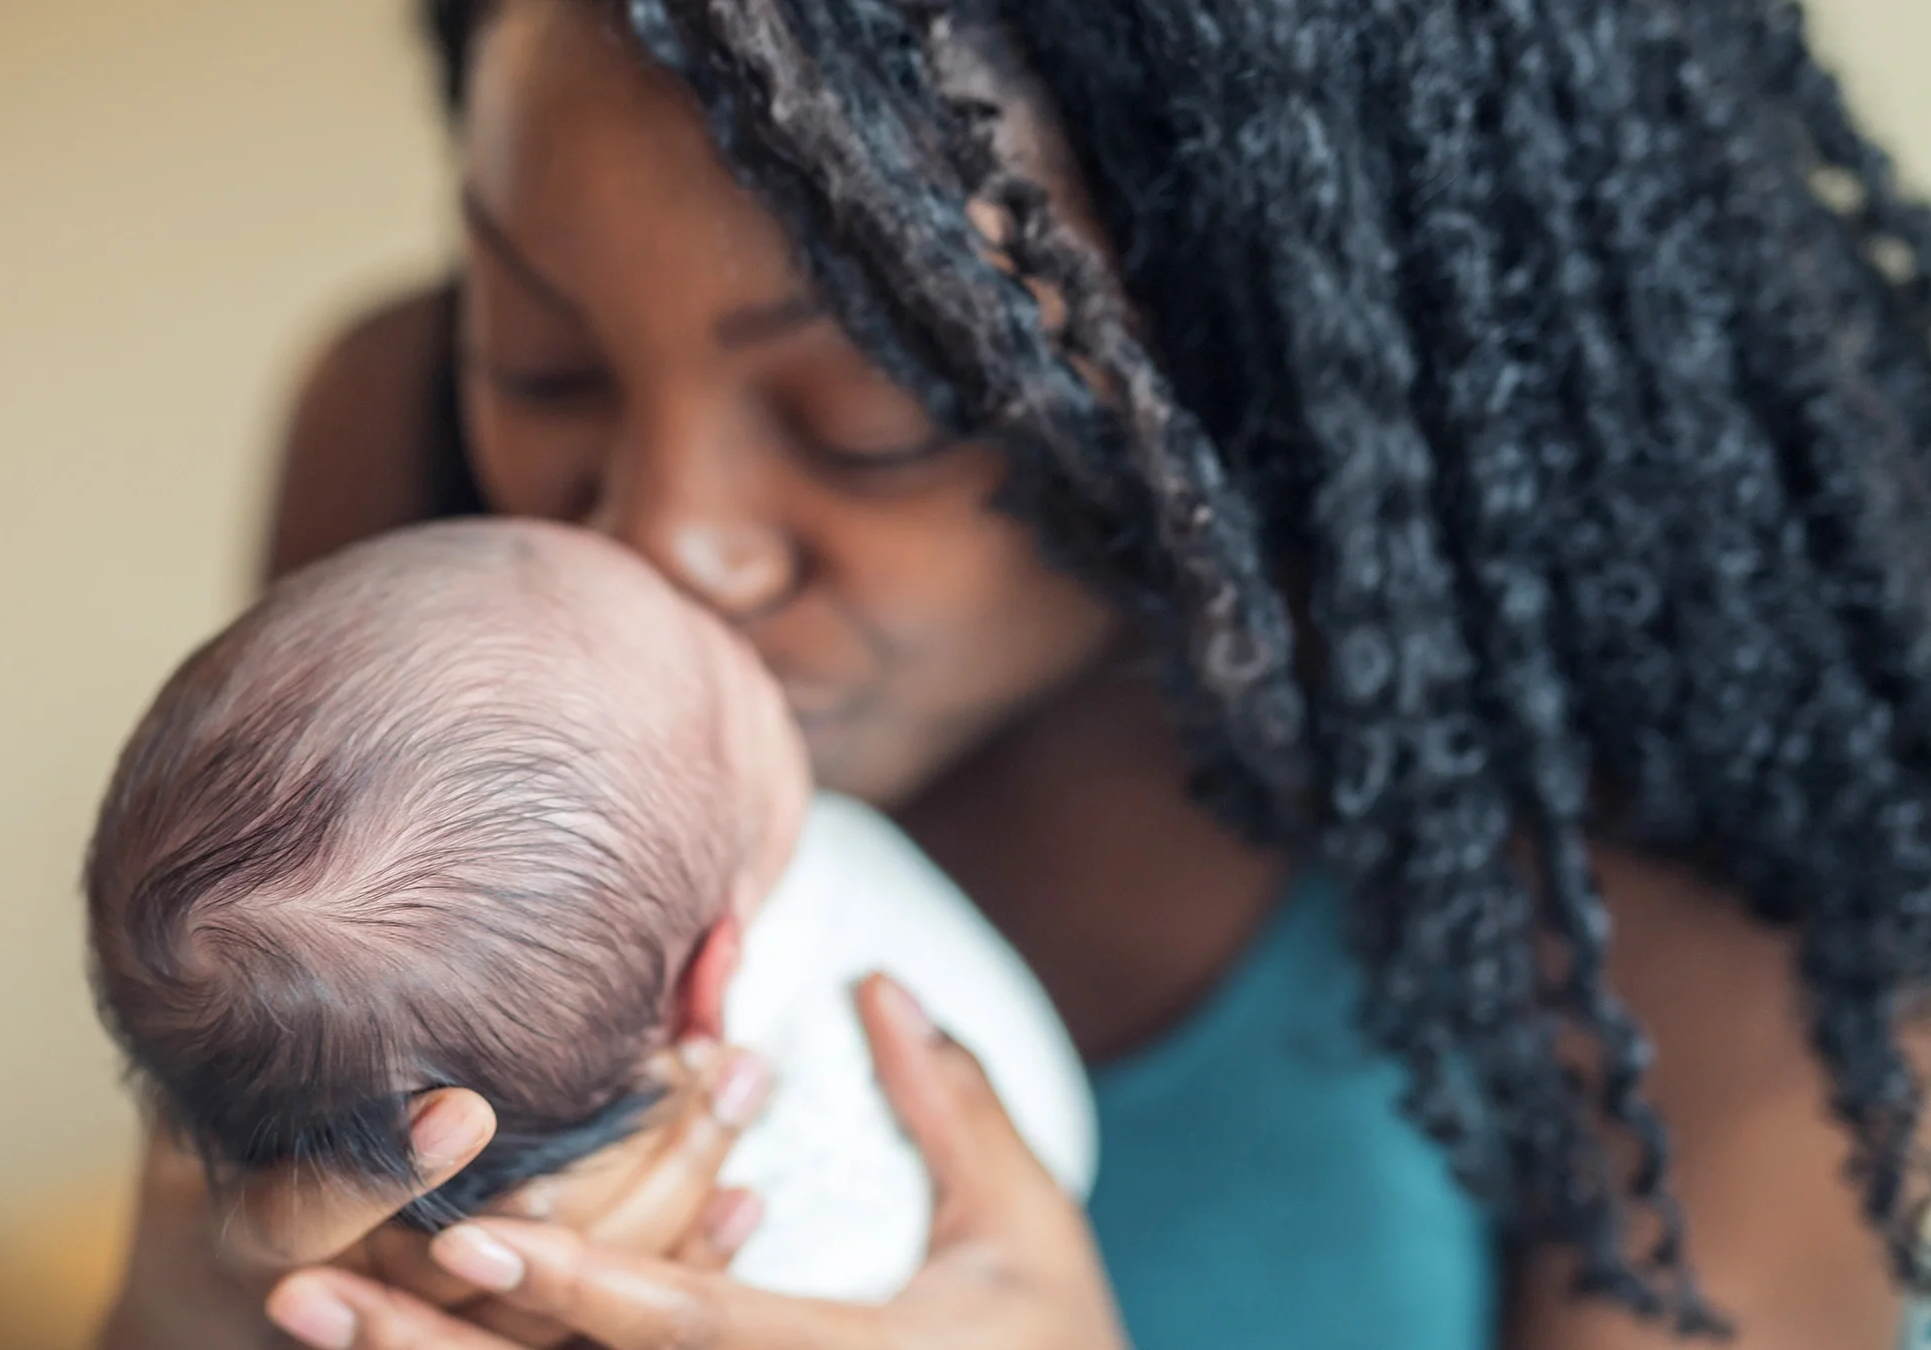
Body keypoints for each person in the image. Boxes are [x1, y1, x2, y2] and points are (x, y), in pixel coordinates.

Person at [98, 0, 1931, 1346]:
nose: (662, 538)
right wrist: (196, 1308)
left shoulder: (1699, 877)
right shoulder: (412, 488)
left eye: (871, 423)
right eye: (547, 357)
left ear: (1260, 348)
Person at [82, 519, 1094, 1308]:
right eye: (728, 680)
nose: (686, 568)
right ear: (711, 979)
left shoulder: (396, 1253)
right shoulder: (848, 1136)